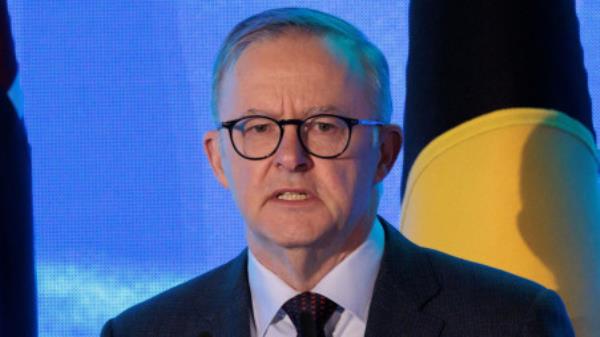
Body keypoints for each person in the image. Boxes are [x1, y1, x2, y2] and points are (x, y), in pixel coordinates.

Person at [101, 7, 574, 337]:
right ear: (218, 157)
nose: (290, 156)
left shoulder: (510, 323)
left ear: (385, 152)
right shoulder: (142, 332)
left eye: (325, 126)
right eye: (258, 127)